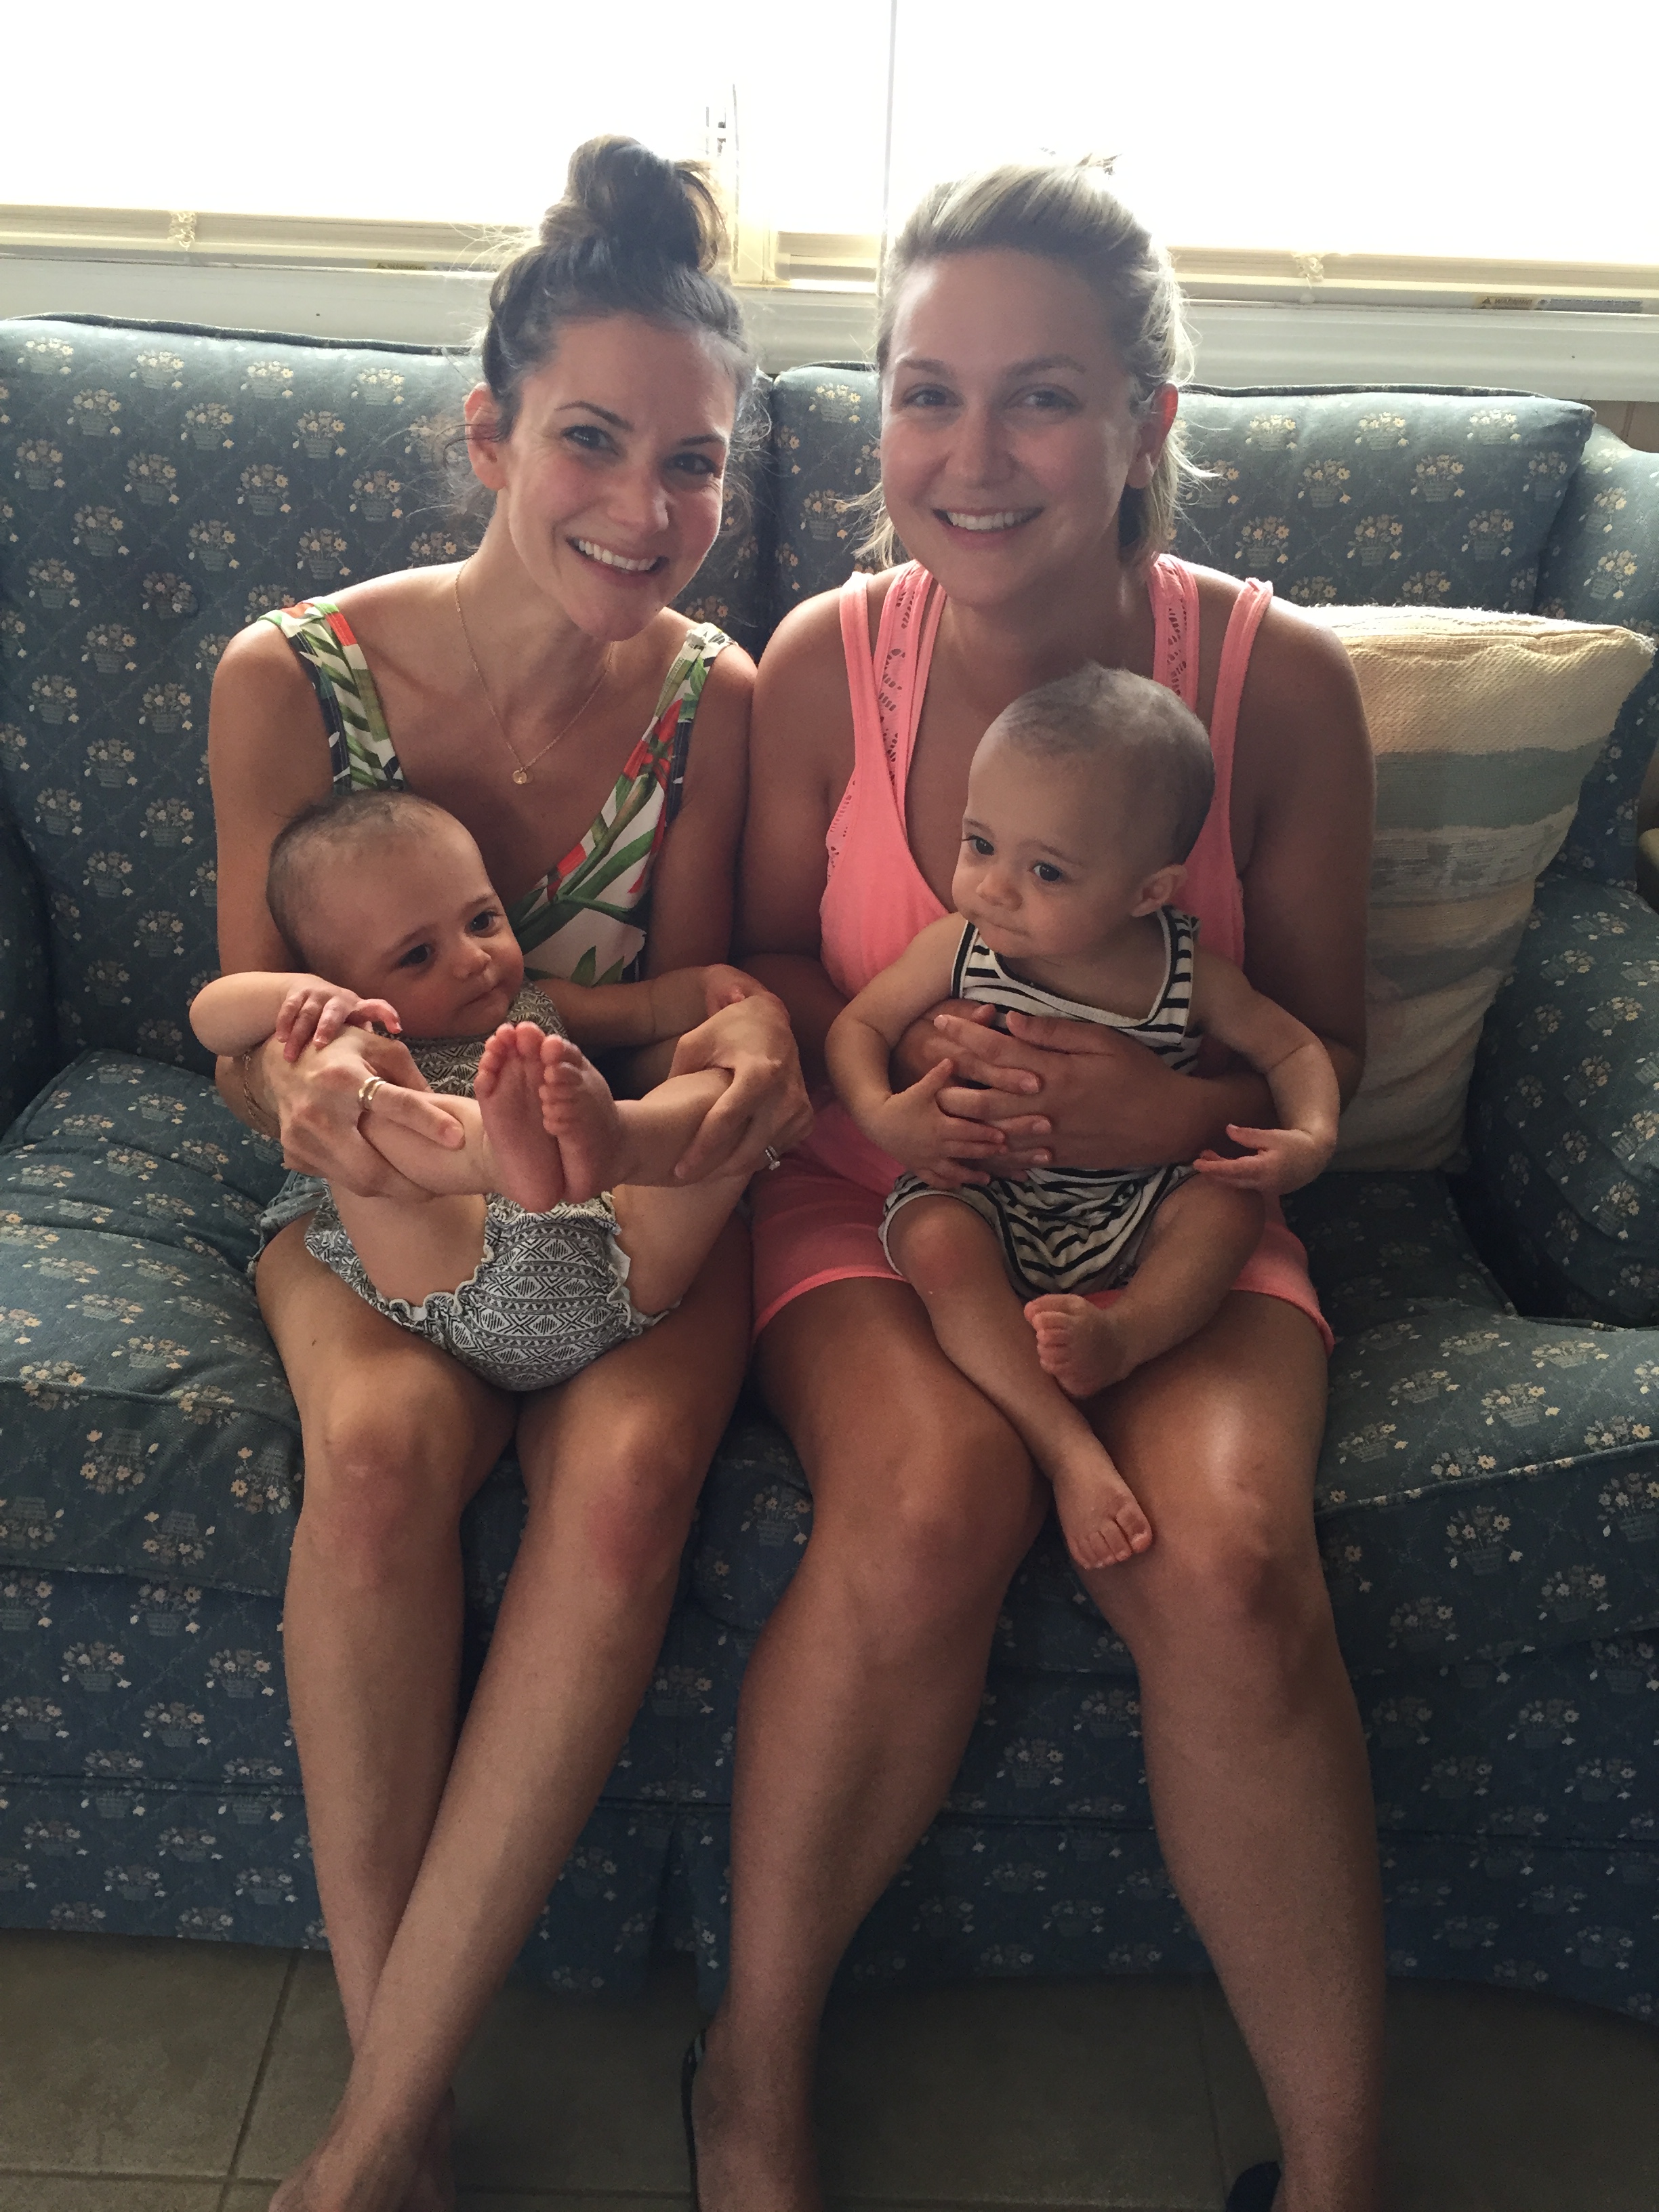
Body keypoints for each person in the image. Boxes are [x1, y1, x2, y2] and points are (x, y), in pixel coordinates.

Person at [712, 158, 1382, 2212]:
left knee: (1228, 1553)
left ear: (1143, 423)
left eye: (1040, 398)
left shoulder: (1274, 683)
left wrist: (1159, 1123)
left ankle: (1338, 2167)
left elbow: (1321, 1051)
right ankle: (748, 2075)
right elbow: (764, 967)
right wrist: (898, 1096)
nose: (971, 454)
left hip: (1177, 1212)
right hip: (882, 1192)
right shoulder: (823, 662)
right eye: (927, 394)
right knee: (932, 1501)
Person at [207, 137, 808, 2211]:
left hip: (601, 1190)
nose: (647, 508)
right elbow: (247, 1026)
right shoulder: (294, 678)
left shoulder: (718, 698)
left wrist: (738, 1047)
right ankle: (406, 2117)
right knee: (379, 1459)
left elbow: (688, 1004)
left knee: (627, 1481)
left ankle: (369, 2138)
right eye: (591, 441)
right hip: (389, 1189)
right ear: (488, 434)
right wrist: (310, 1102)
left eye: (695, 462)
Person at [825, 665, 1340, 1575]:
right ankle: (1066, 1448)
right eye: (979, 843)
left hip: (1139, 1200)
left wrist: (1309, 1138)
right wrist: (886, 1117)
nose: (993, 888)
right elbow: (856, 1028)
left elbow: (1294, 1048)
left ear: (1149, 892)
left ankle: (1126, 1335)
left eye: (1047, 870)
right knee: (933, 1241)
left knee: (1226, 1210)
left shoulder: (1188, 973)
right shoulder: (959, 948)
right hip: (990, 1192)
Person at [191, 790, 759, 1387]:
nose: (473, 959)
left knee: (725, 1081)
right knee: (372, 1119)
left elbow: (650, 1009)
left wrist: (713, 992)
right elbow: (210, 1018)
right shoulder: (363, 1037)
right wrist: (298, 995)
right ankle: (492, 1153)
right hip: (443, 1279)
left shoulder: (539, 1005)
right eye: (418, 955)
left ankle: (618, 1135)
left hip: (617, 1265)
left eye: (482, 921)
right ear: (339, 980)